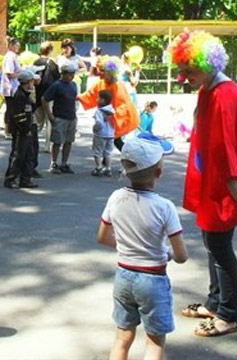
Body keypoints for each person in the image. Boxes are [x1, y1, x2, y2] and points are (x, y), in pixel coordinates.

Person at [168, 30, 237, 337]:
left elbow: (227, 143)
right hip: (215, 179)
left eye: (189, 70)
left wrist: (234, 180)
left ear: (208, 64)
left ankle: (228, 314)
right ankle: (216, 300)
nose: (184, 77)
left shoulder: (224, 93)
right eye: (182, 70)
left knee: (219, 246)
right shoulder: (211, 89)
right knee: (212, 243)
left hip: (223, 183)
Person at [97, 136, 188, 360]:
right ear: (159, 173)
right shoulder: (164, 207)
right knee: (155, 343)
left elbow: (103, 237)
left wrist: (127, 248)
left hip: (124, 276)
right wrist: (167, 253)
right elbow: (181, 256)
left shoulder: (116, 197)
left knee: (122, 336)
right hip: (153, 279)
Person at [78, 57, 140, 151]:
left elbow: (123, 105)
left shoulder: (117, 85)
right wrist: (78, 97)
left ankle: (128, 158)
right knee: (110, 140)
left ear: (109, 72)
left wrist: (113, 115)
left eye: (102, 71)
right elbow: (90, 94)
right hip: (107, 117)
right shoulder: (101, 82)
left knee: (113, 140)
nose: (99, 73)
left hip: (116, 117)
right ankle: (108, 161)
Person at [42, 63, 78, 174]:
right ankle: (54, 162)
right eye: (70, 74)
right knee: (57, 141)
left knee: (69, 141)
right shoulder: (56, 85)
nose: (72, 76)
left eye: (73, 74)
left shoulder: (73, 85)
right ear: (63, 74)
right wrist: (50, 115)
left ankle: (64, 163)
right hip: (60, 117)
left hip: (71, 117)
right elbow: (44, 99)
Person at [5, 69, 38, 189]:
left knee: (29, 154)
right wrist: (25, 129)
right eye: (31, 81)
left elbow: (32, 109)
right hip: (21, 131)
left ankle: (26, 178)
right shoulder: (19, 96)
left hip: (27, 129)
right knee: (18, 155)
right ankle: (11, 178)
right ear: (26, 82)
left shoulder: (26, 95)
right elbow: (18, 115)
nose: (33, 84)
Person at [33, 42, 60, 153]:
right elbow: (57, 78)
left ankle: (32, 140)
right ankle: (47, 145)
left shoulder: (36, 62)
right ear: (50, 51)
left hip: (38, 94)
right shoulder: (52, 63)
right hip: (49, 95)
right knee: (49, 120)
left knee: (38, 120)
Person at [1, 37, 22, 138]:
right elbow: (9, 73)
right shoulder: (10, 56)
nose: (18, 47)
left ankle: (10, 129)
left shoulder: (12, 56)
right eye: (17, 45)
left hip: (12, 86)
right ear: (11, 46)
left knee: (11, 108)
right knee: (11, 109)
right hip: (11, 87)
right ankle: (8, 130)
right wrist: (21, 74)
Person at [91, 90, 115, 177]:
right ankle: (108, 168)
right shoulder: (112, 110)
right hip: (111, 134)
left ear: (103, 100)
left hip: (101, 134)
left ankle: (99, 167)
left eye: (98, 98)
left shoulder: (99, 111)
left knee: (97, 151)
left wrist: (95, 128)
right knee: (108, 152)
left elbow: (99, 123)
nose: (97, 99)